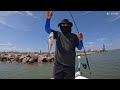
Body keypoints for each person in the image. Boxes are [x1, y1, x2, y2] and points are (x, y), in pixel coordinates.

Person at [45, 11, 83, 79]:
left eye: (66, 25)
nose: (64, 26)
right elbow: (47, 29)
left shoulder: (74, 36)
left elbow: (80, 47)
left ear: (69, 26)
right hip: (58, 66)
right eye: (63, 25)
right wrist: (48, 19)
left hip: (70, 66)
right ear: (60, 26)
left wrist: (80, 40)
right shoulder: (58, 34)